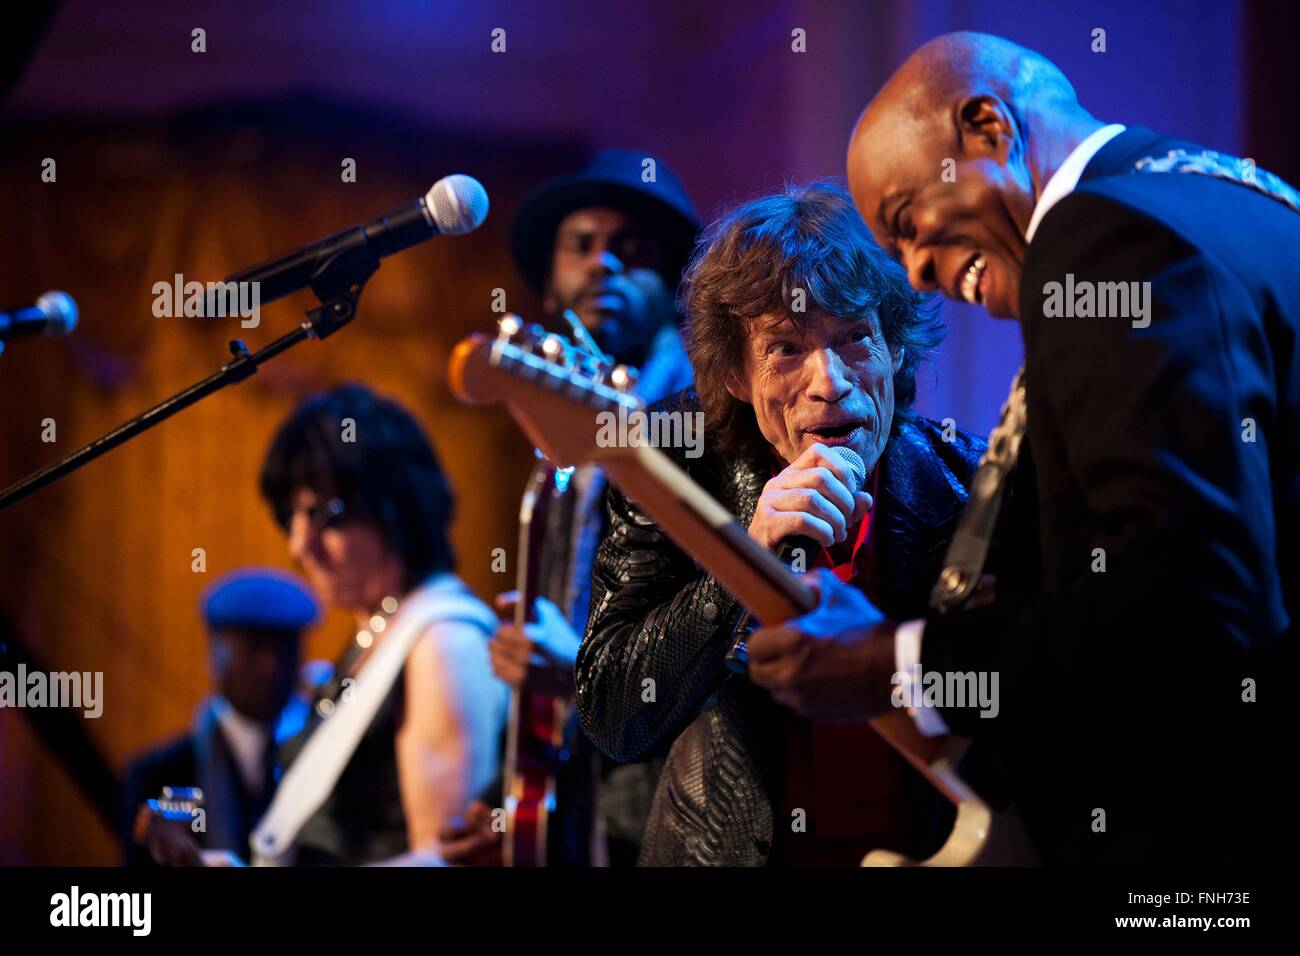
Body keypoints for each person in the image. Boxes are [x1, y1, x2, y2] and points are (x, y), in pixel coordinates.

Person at [748, 32, 1296, 865]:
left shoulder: (1104, 235)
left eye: (908, 225)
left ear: (986, 127)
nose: (919, 273)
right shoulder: (1247, 198)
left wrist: (901, 665)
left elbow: (1190, 605)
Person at [575, 181, 986, 866]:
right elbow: (614, 714)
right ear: (735, 373)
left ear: (894, 351)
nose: (829, 381)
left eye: (856, 338)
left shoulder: (966, 481)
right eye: (787, 349)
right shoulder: (671, 464)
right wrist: (741, 564)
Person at [442, 149, 698, 867]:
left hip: (670, 805)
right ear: (550, 285)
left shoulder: (708, 419)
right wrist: (511, 799)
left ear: (673, 279)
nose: (603, 264)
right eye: (580, 246)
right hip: (578, 809)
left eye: (630, 249)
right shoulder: (559, 437)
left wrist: (585, 670)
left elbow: (723, 632)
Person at [257, 384, 506, 865]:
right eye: (290, 517)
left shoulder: (443, 640)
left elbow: (441, 861)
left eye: (325, 513)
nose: (298, 546)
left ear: (397, 505)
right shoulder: (379, 631)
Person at [122, 567, 318, 867]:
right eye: (253, 649)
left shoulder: (323, 761)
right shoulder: (159, 777)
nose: (271, 667)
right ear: (215, 655)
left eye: (285, 649)